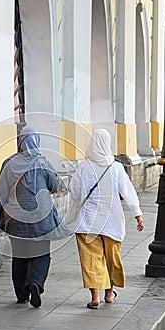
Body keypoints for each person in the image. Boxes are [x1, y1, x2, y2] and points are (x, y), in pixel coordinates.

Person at [0, 126, 70, 308]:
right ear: (37, 141)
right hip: (41, 218)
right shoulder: (43, 163)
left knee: (19, 255)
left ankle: (21, 293)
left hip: (15, 218)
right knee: (41, 253)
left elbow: (1, 193)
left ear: (20, 141)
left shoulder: (9, 163)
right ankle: (35, 282)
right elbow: (54, 185)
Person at [70, 128, 144, 309]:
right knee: (111, 258)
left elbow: (75, 192)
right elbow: (128, 192)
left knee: (91, 260)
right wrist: (137, 214)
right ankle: (109, 293)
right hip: (112, 221)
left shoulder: (83, 166)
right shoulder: (116, 167)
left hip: (88, 222)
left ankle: (95, 297)